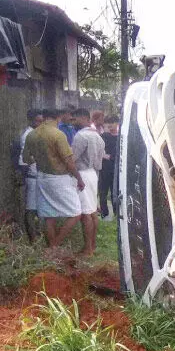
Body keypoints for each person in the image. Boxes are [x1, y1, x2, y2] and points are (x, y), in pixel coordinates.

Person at [22, 108, 84, 249]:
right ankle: (54, 246)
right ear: (58, 117)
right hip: (58, 178)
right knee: (76, 213)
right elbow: (68, 161)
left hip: (41, 176)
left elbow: (26, 159)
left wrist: (41, 157)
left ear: (44, 117)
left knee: (49, 215)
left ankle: (53, 248)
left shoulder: (32, 134)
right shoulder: (58, 134)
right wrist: (79, 179)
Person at [71, 108, 106, 257]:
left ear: (83, 118)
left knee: (86, 213)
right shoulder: (98, 136)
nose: (74, 122)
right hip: (93, 174)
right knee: (92, 212)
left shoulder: (81, 136)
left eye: (75, 119)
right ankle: (92, 246)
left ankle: (88, 250)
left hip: (82, 174)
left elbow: (71, 159)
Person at [19, 109, 43, 242]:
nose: (40, 123)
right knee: (31, 209)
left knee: (38, 209)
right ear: (31, 121)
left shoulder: (35, 134)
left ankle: (37, 236)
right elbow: (24, 160)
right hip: (32, 177)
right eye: (37, 121)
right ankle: (33, 239)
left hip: (38, 177)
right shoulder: (28, 135)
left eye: (41, 121)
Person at [99, 115, 119, 221]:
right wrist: (106, 156)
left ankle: (116, 214)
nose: (110, 126)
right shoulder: (103, 136)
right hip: (104, 168)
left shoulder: (121, 137)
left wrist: (109, 156)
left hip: (116, 169)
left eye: (112, 123)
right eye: (108, 124)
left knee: (114, 192)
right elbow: (98, 150)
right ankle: (104, 214)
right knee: (103, 191)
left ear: (117, 123)